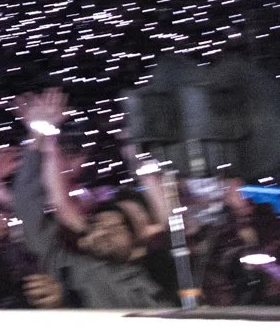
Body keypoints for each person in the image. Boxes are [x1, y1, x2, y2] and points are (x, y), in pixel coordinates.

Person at [9, 89, 170, 309]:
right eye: (98, 224)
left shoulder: (149, 288)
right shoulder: (61, 262)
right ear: (84, 240)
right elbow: (27, 203)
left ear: (138, 248)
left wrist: (66, 300)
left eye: (118, 227)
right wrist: (38, 136)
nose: (103, 231)